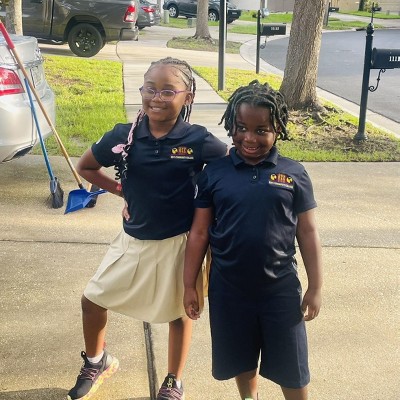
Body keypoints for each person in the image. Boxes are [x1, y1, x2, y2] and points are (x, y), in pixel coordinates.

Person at [67, 57, 227, 400]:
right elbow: (86, 166)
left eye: (168, 91)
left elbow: (230, 173)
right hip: (133, 239)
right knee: (92, 299)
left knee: (179, 312)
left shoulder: (198, 141)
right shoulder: (124, 136)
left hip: (178, 243)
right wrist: (120, 190)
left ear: (188, 97)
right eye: (150, 88)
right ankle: (97, 361)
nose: (157, 97)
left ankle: (173, 381)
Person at [183, 80, 323, 400]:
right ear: (231, 126)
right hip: (228, 290)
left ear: (278, 130)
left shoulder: (294, 174)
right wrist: (190, 284)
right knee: (241, 360)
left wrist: (315, 287)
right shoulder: (214, 174)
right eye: (242, 128)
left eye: (262, 130)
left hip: (280, 289)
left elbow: (307, 232)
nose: (249, 138)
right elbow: (200, 232)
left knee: (292, 366)